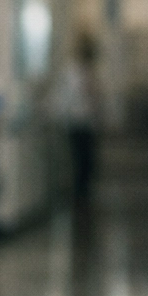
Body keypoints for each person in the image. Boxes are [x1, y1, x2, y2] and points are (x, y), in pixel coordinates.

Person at [52, 31, 103, 205]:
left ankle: (84, 193)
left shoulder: (89, 73)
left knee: (87, 161)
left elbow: (93, 100)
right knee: (80, 160)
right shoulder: (72, 73)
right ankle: (80, 195)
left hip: (86, 123)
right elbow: (65, 98)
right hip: (76, 123)